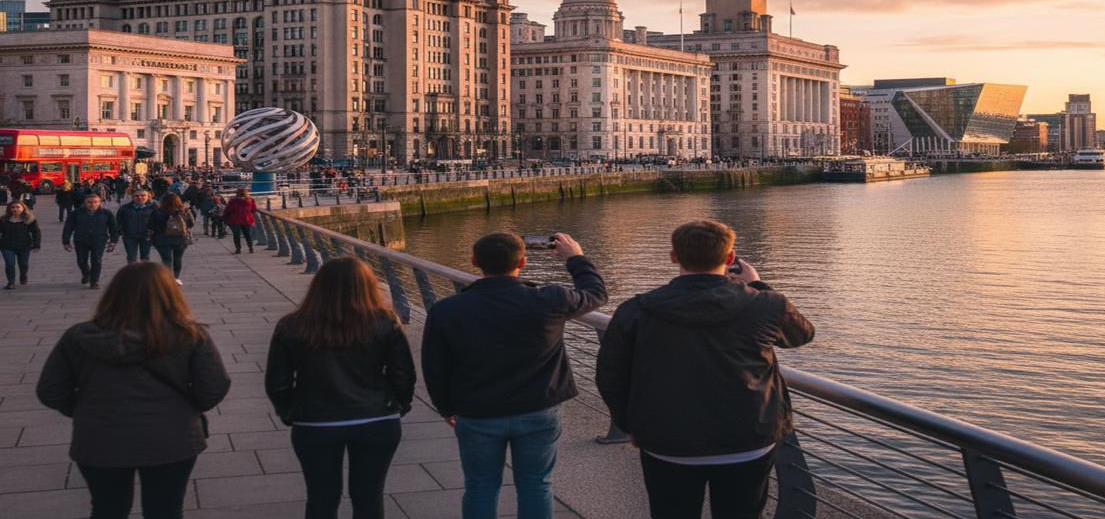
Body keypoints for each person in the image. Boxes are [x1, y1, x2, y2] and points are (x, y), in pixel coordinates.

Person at [595, 220, 815, 519]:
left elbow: (610, 376)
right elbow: (802, 335)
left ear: (674, 257)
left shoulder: (636, 310)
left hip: (667, 441)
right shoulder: (767, 304)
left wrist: (630, 424)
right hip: (748, 438)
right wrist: (758, 285)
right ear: (729, 258)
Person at [421, 232, 606, 519]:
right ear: (523, 261)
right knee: (536, 485)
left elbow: (435, 365)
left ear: (474, 262)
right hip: (538, 408)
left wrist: (445, 406)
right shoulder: (549, 299)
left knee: (480, 486)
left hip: (477, 411)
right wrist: (577, 258)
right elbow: (596, 294)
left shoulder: (446, 310)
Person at [36, 262, 231, 519]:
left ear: (112, 294)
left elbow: (50, 390)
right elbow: (214, 386)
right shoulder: (189, 335)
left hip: (99, 437)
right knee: (166, 510)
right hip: (172, 437)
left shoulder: (79, 337)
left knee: (107, 509)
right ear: (170, 294)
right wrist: (184, 408)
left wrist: (84, 408)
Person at [265, 256, 416, 519]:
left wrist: (289, 411)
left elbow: (277, 382)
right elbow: (403, 374)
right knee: (369, 496)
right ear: (367, 285)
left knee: (321, 497)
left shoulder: (292, 325)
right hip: (376, 418)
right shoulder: (384, 322)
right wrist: (398, 404)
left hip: (315, 421)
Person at [62, 193, 119, 289]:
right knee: (81, 261)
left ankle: (94, 281)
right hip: (81, 240)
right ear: (85, 203)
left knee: (96, 260)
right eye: (89, 202)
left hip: (99, 240)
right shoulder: (76, 213)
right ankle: (86, 273)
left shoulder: (106, 213)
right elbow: (68, 227)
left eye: (95, 202)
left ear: (99, 202)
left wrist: (113, 241)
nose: (92, 204)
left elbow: (113, 228)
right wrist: (66, 241)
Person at [148, 193, 194, 285]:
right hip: (180, 238)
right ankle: (176, 278)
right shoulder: (184, 210)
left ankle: (167, 278)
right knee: (178, 258)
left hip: (162, 239)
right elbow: (191, 224)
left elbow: (150, 225)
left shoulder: (157, 211)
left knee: (166, 259)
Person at [1, 200, 41, 289]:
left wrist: (36, 244)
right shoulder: (3, 220)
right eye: (13, 207)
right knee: (10, 263)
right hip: (7, 245)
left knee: (23, 264)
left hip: (24, 245)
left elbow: (36, 232)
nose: (15, 209)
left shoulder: (29, 219)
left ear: (23, 208)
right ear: (9, 209)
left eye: (18, 207)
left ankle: (23, 275)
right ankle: (11, 282)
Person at [116, 189, 156, 264]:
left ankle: (143, 275)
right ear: (132, 197)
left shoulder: (153, 208)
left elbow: (157, 222)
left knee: (145, 257)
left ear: (148, 197)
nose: (139, 198)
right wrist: (118, 235)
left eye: (143, 195)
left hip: (146, 236)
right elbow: (118, 222)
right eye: (136, 196)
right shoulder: (124, 208)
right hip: (129, 236)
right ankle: (133, 274)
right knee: (131, 257)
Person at [222, 187, 257, 255]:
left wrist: (225, 217)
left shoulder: (233, 201)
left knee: (236, 235)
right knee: (247, 235)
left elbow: (228, 210)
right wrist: (249, 215)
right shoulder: (250, 200)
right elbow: (254, 210)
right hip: (246, 220)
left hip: (235, 220)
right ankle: (250, 248)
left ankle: (238, 249)